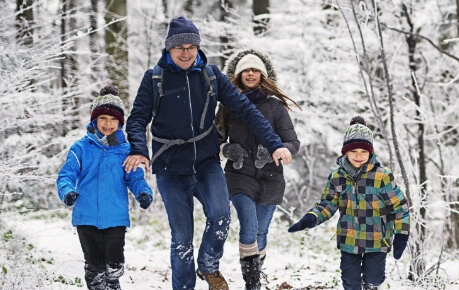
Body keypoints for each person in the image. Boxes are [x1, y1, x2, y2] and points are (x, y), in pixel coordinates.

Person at [122, 16, 292, 290]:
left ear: (198, 47)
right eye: (180, 47)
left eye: (191, 46)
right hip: (170, 166)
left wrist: (275, 143)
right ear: (169, 49)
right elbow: (138, 118)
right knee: (181, 238)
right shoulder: (154, 78)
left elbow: (246, 110)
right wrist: (140, 150)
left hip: (206, 162)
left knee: (221, 215)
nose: (186, 53)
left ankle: (209, 265)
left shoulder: (211, 75)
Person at [288, 116, 410, 290]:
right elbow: (328, 204)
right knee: (350, 282)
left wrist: (401, 234)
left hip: (376, 241)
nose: (358, 156)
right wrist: (311, 217)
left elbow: (400, 207)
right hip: (349, 240)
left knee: (374, 280)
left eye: (363, 151)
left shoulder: (382, 176)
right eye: (353, 151)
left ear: (371, 153)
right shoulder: (337, 177)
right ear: (345, 152)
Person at [57, 85, 154, 290]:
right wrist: (67, 192)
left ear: (120, 123)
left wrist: (143, 192)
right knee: (94, 266)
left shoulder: (127, 150)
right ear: (94, 120)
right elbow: (66, 175)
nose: (108, 124)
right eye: (103, 118)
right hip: (86, 216)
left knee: (114, 264)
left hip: (115, 217)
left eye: (113, 120)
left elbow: (135, 178)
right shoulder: (81, 148)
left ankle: (113, 283)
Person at [218, 48, 300, 289]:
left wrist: (279, 150)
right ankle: (252, 283)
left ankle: (255, 273)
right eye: (246, 69)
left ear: (263, 75)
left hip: (271, 176)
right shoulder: (227, 104)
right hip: (239, 174)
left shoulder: (275, 107)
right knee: (249, 225)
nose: (251, 73)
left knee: (261, 232)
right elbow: (215, 139)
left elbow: (292, 141)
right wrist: (227, 150)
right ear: (239, 74)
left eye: (255, 69)